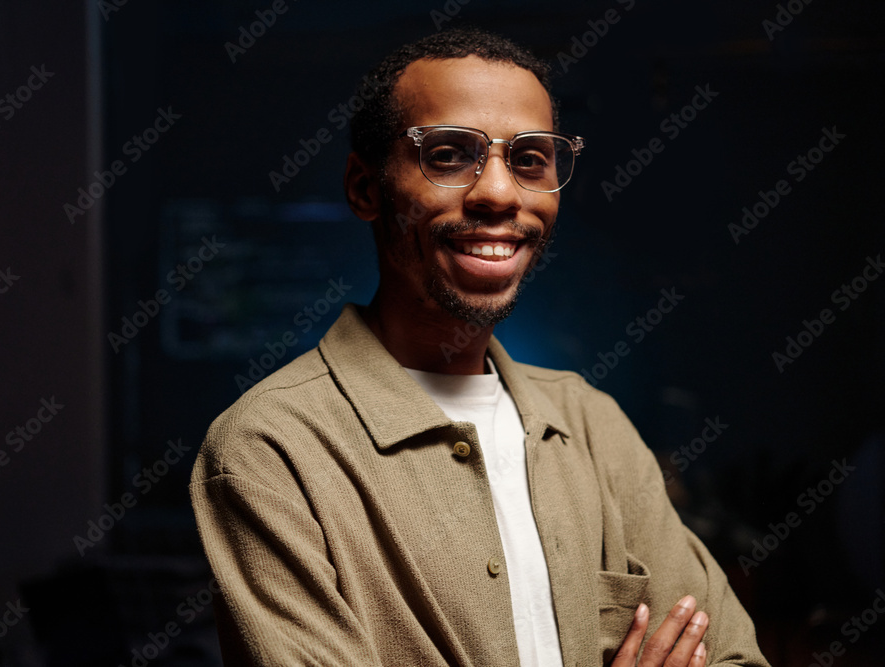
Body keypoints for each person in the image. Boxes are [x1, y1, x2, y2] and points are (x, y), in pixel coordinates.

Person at [190, 27, 770, 666]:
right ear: (365, 188)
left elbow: (737, 658)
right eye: (447, 155)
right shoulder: (272, 450)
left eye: (530, 160)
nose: (498, 193)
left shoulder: (591, 424)